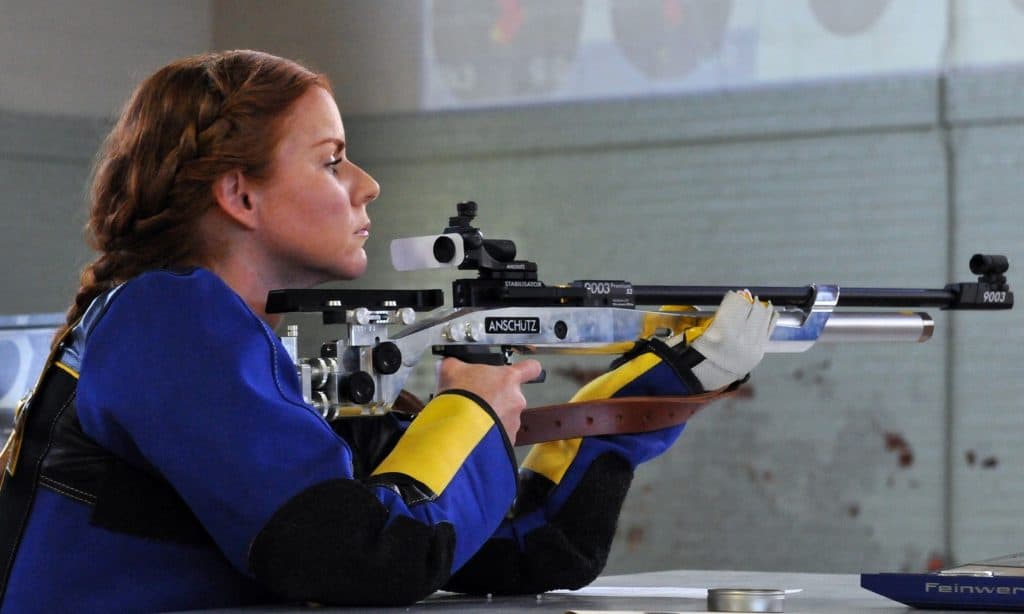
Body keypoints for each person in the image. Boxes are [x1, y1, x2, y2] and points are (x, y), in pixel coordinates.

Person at [0, 50, 777, 612]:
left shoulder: (220, 345)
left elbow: (526, 548)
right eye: (333, 161)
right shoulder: (170, 321)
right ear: (240, 194)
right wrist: (467, 410)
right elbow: (364, 559)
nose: (367, 185)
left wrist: (644, 396)